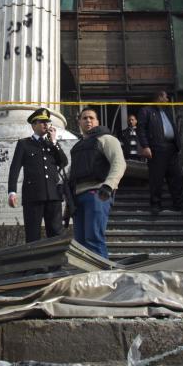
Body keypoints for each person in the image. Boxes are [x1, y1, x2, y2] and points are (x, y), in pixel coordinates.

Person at [68, 107, 126, 258]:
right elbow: (72, 172)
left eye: (91, 118)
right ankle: (87, 277)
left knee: (93, 239)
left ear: (97, 121)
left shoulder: (107, 139)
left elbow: (119, 163)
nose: (88, 120)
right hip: (77, 197)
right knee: (80, 244)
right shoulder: (77, 146)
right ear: (79, 122)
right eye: (84, 118)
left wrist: (109, 185)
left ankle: (102, 276)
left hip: (97, 193)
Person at [7, 108, 68, 243]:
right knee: (33, 235)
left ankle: (55, 265)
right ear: (33, 125)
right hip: (33, 196)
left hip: (53, 196)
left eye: (47, 122)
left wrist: (54, 142)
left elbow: (63, 162)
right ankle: (35, 265)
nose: (46, 125)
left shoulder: (51, 144)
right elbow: (14, 169)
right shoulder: (24, 144)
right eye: (42, 122)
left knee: (56, 234)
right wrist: (12, 191)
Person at [137, 90, 183, 215]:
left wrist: (177, 146)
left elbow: (172, 128)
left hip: (171, 149)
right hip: (157, 149)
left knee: (176, 177)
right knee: (156, 179)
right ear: (159, 97)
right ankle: (156, 205)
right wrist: (145, 146)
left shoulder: (167, 112)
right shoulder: (146, 111)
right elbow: (141, 129)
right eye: (166, 97)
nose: (168, 100)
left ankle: (179, 204)